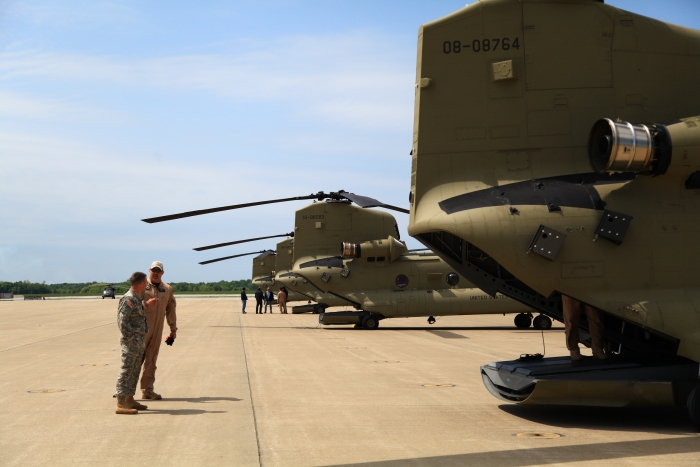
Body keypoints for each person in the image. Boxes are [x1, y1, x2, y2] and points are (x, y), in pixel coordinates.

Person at [114, 271, 154, 414]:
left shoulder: (136, 299)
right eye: (146, 283)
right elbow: (122, 321)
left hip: (138, 342)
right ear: (141, 283)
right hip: (131, 343)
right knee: (126, 371)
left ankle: (129, 399)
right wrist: (131, 339)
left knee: (134, 371)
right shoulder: (128, 298)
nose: (147, 285)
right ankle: (120, 402)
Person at [138, 261, 177, 400]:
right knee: (134, 360)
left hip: (157, 331)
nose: (155, 273)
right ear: (149, 271)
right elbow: (130, 304)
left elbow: (171, 309)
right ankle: (126, 391)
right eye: (153, 270)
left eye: (158, 271)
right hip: (141, 330)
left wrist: (173, 329)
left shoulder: (167, 289)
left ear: (162, 273)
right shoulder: (141, 286)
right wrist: (146, 304)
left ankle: (147, 390)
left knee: (151, 361)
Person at [562, 295, 606, 361]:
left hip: (588, 288)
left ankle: (598, 350)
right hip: (570, 288)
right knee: (571, 319)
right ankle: (574, 351)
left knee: (595, 318)